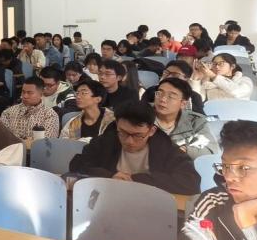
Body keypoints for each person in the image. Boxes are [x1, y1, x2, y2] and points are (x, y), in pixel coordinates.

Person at [68, 101, 201, 194]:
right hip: (109, 199)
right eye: (123, 133)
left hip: (150, 204)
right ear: (117, 125)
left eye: (138, 135)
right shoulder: (106, 140)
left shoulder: (165, 147)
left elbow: (191, 181)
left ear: (151, 131)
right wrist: (109, 176)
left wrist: (137, 179)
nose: (129, 141)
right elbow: (77, 164)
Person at [152, 78, 219, 159]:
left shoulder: (195, 121)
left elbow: (210, 151)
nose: (162, 99)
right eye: (159, 93)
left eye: (171, 96)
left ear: (183, 104)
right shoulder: (142, 114)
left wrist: (185, 150)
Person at [140, 59, 205, 114]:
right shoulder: (152, 91)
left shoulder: (194, 97)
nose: (169, 77)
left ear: (186, 79)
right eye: (166, 73)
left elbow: (200, 119)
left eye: (175, 75)